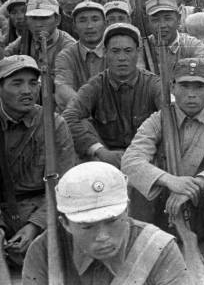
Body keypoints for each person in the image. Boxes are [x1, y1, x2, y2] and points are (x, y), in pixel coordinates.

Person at [121, 58, 204, 273]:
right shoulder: (158, 119)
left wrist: (195, 185)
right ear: (172, 87)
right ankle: (144, 248)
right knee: (141, 184)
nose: (191, 93)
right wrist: (170, 181)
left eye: (199, 86)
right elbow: (131, 160)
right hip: (166, 206)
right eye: (184, 85)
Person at [22, 161, 193, 284]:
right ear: (65, 223)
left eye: (112, 221)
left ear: (126, 211)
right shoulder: (44, 250)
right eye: (88, 226)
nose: (102, 236)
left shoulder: (157, 247)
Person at [0, 55, 75, 266]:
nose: (27, 90)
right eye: (17, 83)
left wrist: (35, 225)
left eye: (33, 83)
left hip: (44, 208)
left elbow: (64, 184)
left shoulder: (54, 124)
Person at [62, 23, 162, 167]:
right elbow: (69, 116)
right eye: (115, 51)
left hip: (147, 157)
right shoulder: (95, 85)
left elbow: (171, 116)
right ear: (105, 52)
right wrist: (100, 150)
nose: (122, 58)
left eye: (128, 51)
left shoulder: (154, 84)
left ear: (137, 52)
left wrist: (142, 154)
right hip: (107, 159)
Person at [53, 1, 107, 111]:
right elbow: (63, 87)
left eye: (95, 19)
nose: (89, 26)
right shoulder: (66, 55)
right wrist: (87, 109)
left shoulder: (115, 50)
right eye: (82, 21)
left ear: (105, 24)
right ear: (74, 27)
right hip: (79, 114)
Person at [4, 0, 75, 76]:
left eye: (44, 18)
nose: (38, 24)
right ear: (27, 19)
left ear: (57, 20)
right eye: (33, 18)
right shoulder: (24, 40)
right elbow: (5, 58)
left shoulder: (68, 46)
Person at [145, 0, 204, 73]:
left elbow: (202, 68)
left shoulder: (193, 44)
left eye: (168, 19)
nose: (162, 25)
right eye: (155, 20)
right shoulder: (144, 46)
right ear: (148, 22)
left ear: (178, 19)